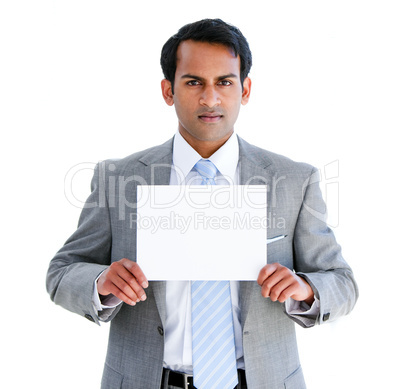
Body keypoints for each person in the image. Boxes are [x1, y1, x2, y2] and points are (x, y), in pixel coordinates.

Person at [46, 18, 358, 389]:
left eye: (224, 82)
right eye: (194, 82)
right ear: (168, 90)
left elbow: (343, 283)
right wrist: (99, 281)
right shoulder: (118, 178)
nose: (210, 98)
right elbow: (61, 272)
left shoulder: (293, 180)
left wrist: (305, 288)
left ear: (245, 90)